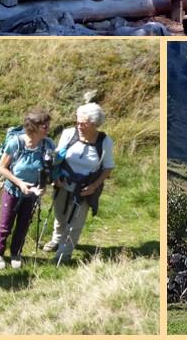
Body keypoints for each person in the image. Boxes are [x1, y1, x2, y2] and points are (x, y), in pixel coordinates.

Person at [44, 98, 115, 263]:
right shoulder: (68, 134)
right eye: (78, 122)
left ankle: (64, 254)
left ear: (95, 124)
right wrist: (55, 177)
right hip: (62, 183)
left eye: (84, 124)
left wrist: (94, 186)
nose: (79, 126)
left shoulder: (104, 142)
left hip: (84, 189)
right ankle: (56, 240)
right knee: (60, 215)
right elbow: (57, 158)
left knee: (75, 222)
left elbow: (108, 167)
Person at [0, 109, 54, 269]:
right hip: (12, 190)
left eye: (48, 124)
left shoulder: (48, 144)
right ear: (33, 127)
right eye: (44, 125)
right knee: (6, 224)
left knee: (23, 224)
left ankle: (15, 253)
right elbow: (2, 167)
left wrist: (43, 186)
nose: (48, 127)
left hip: (32, 194)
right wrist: (20, 183)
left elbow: (48, 168)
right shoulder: (16, 143)